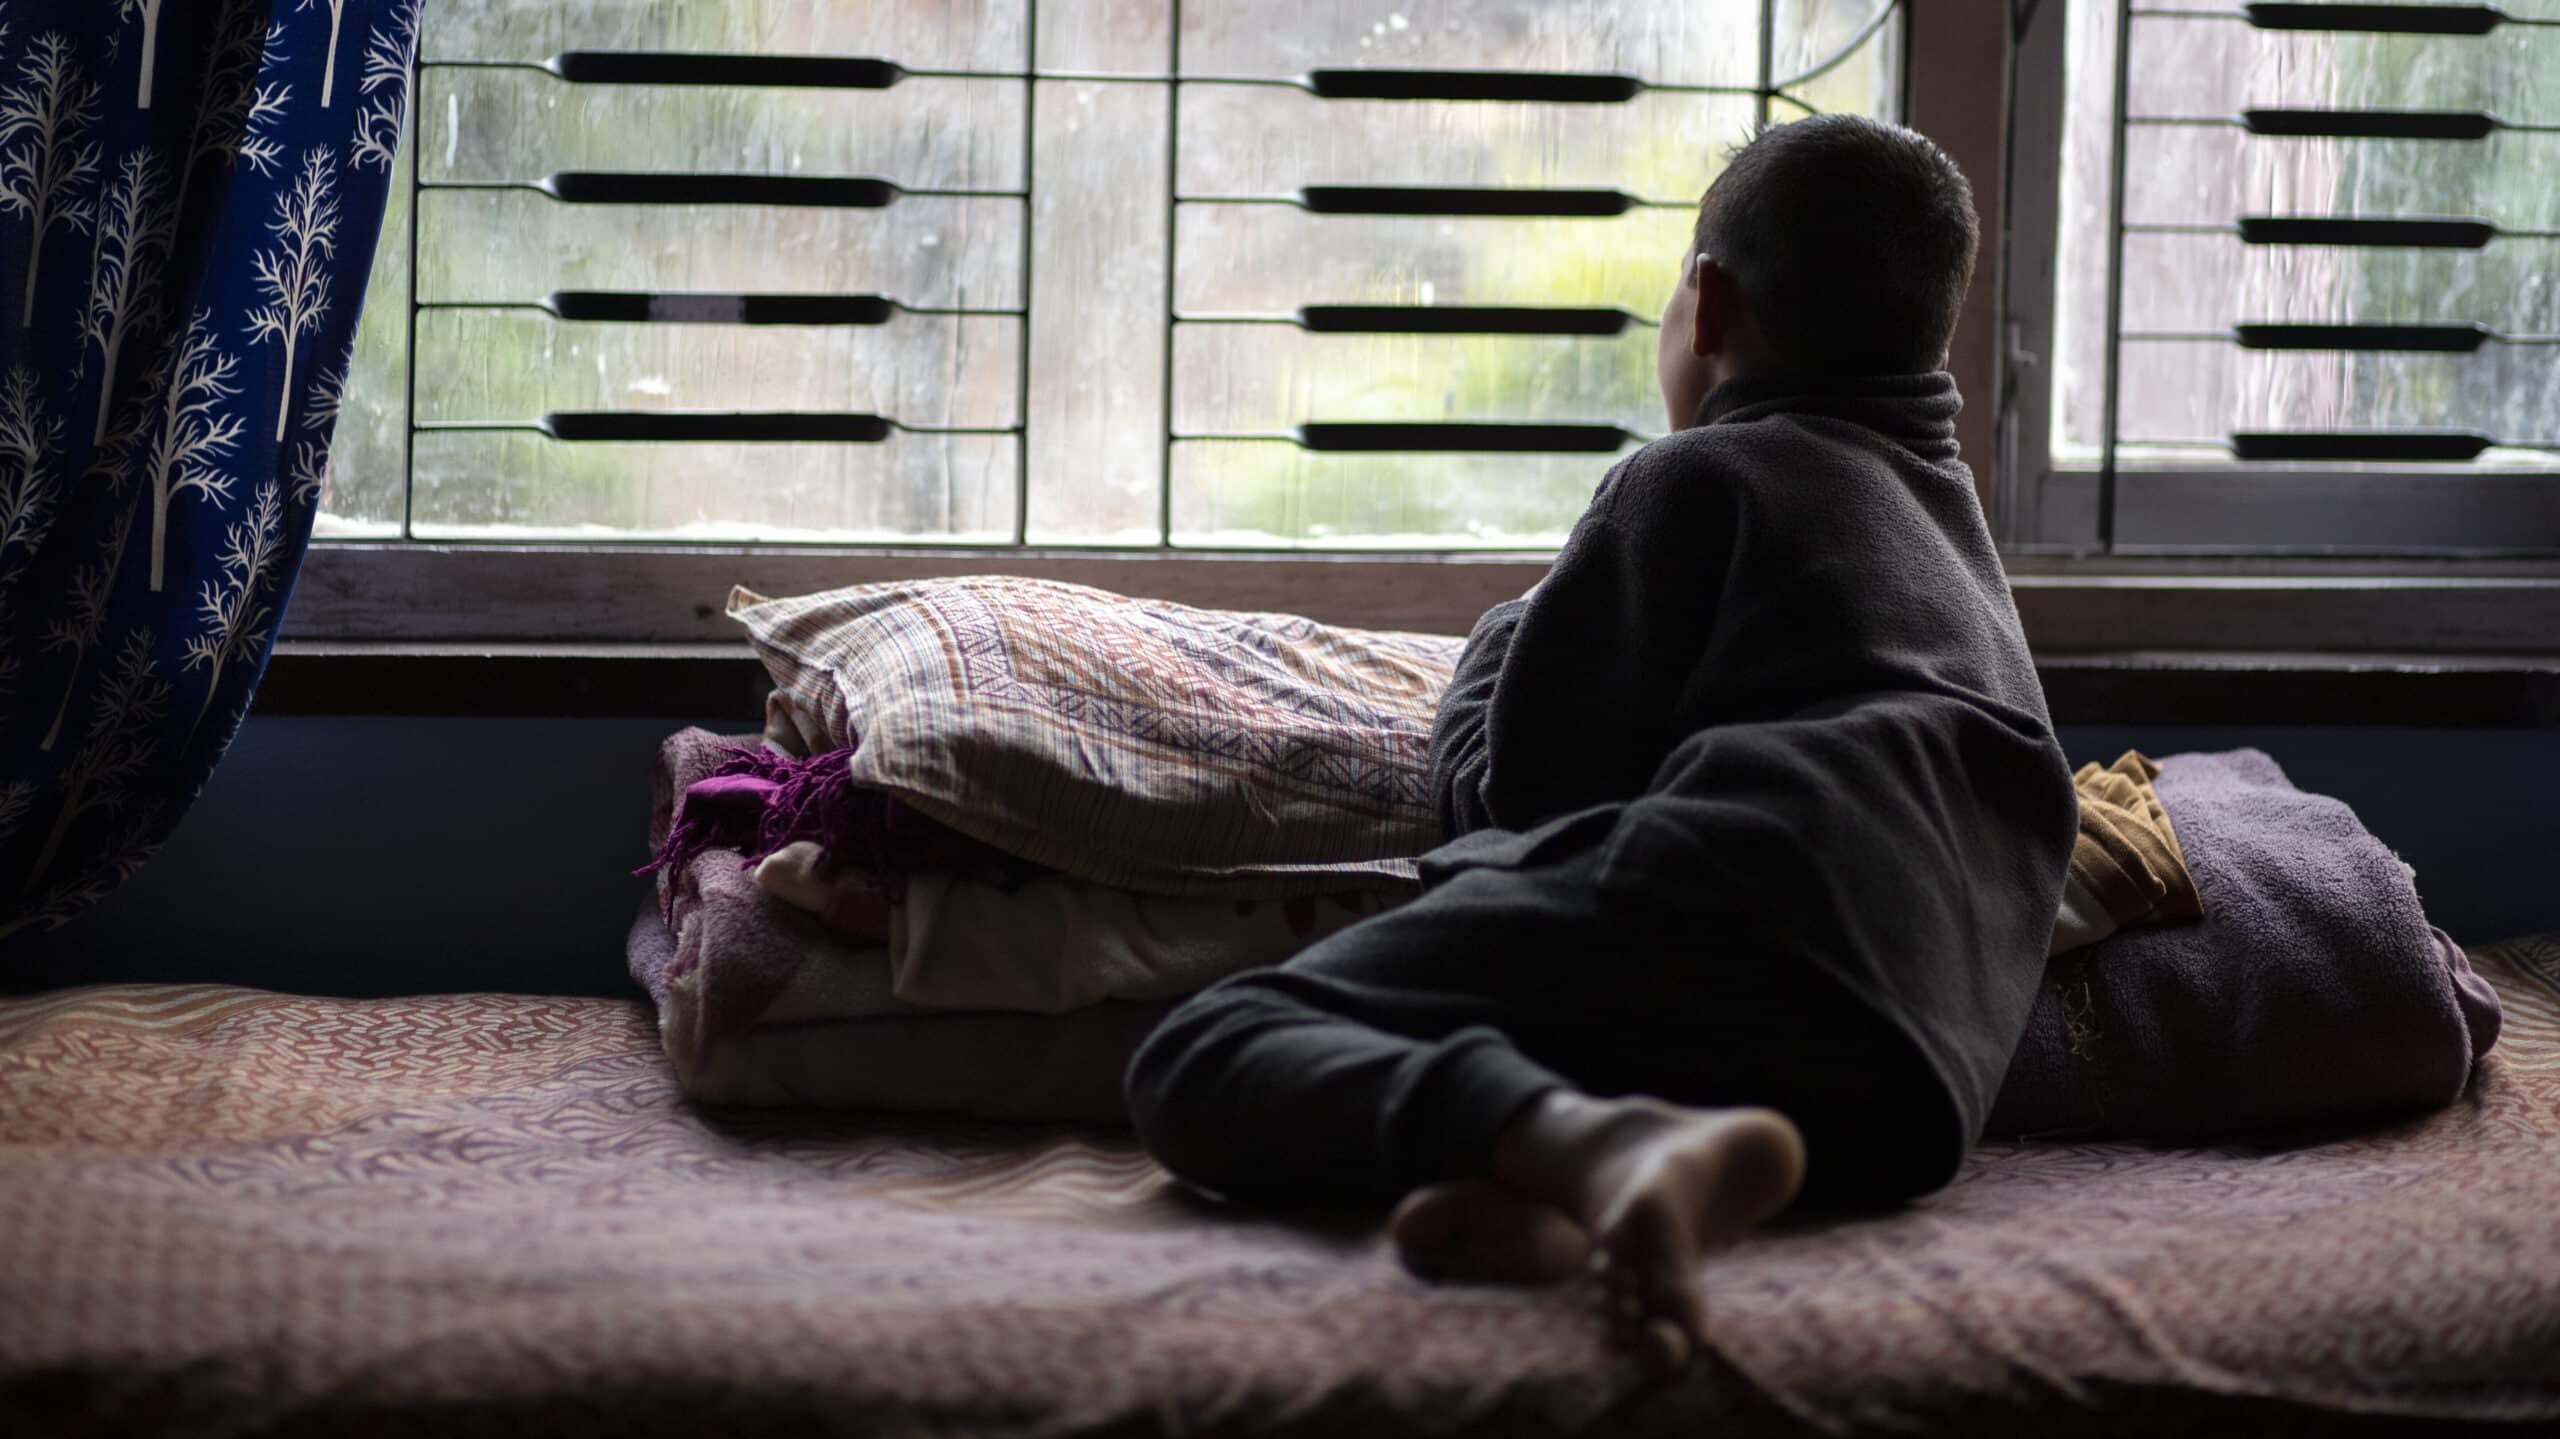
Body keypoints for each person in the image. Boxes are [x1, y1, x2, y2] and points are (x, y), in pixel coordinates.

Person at [1123, 114, 2079, 1372]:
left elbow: (1510, 803)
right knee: (1613, 1008)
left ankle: (1591, 1143)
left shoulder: (1693, 478)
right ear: (1931, 336)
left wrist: (1493, 641)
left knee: (1206, 1052)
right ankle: (1607, 1177)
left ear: (1709, 304)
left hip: (1757, 882)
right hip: (1909, 1085)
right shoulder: (1960, 546)